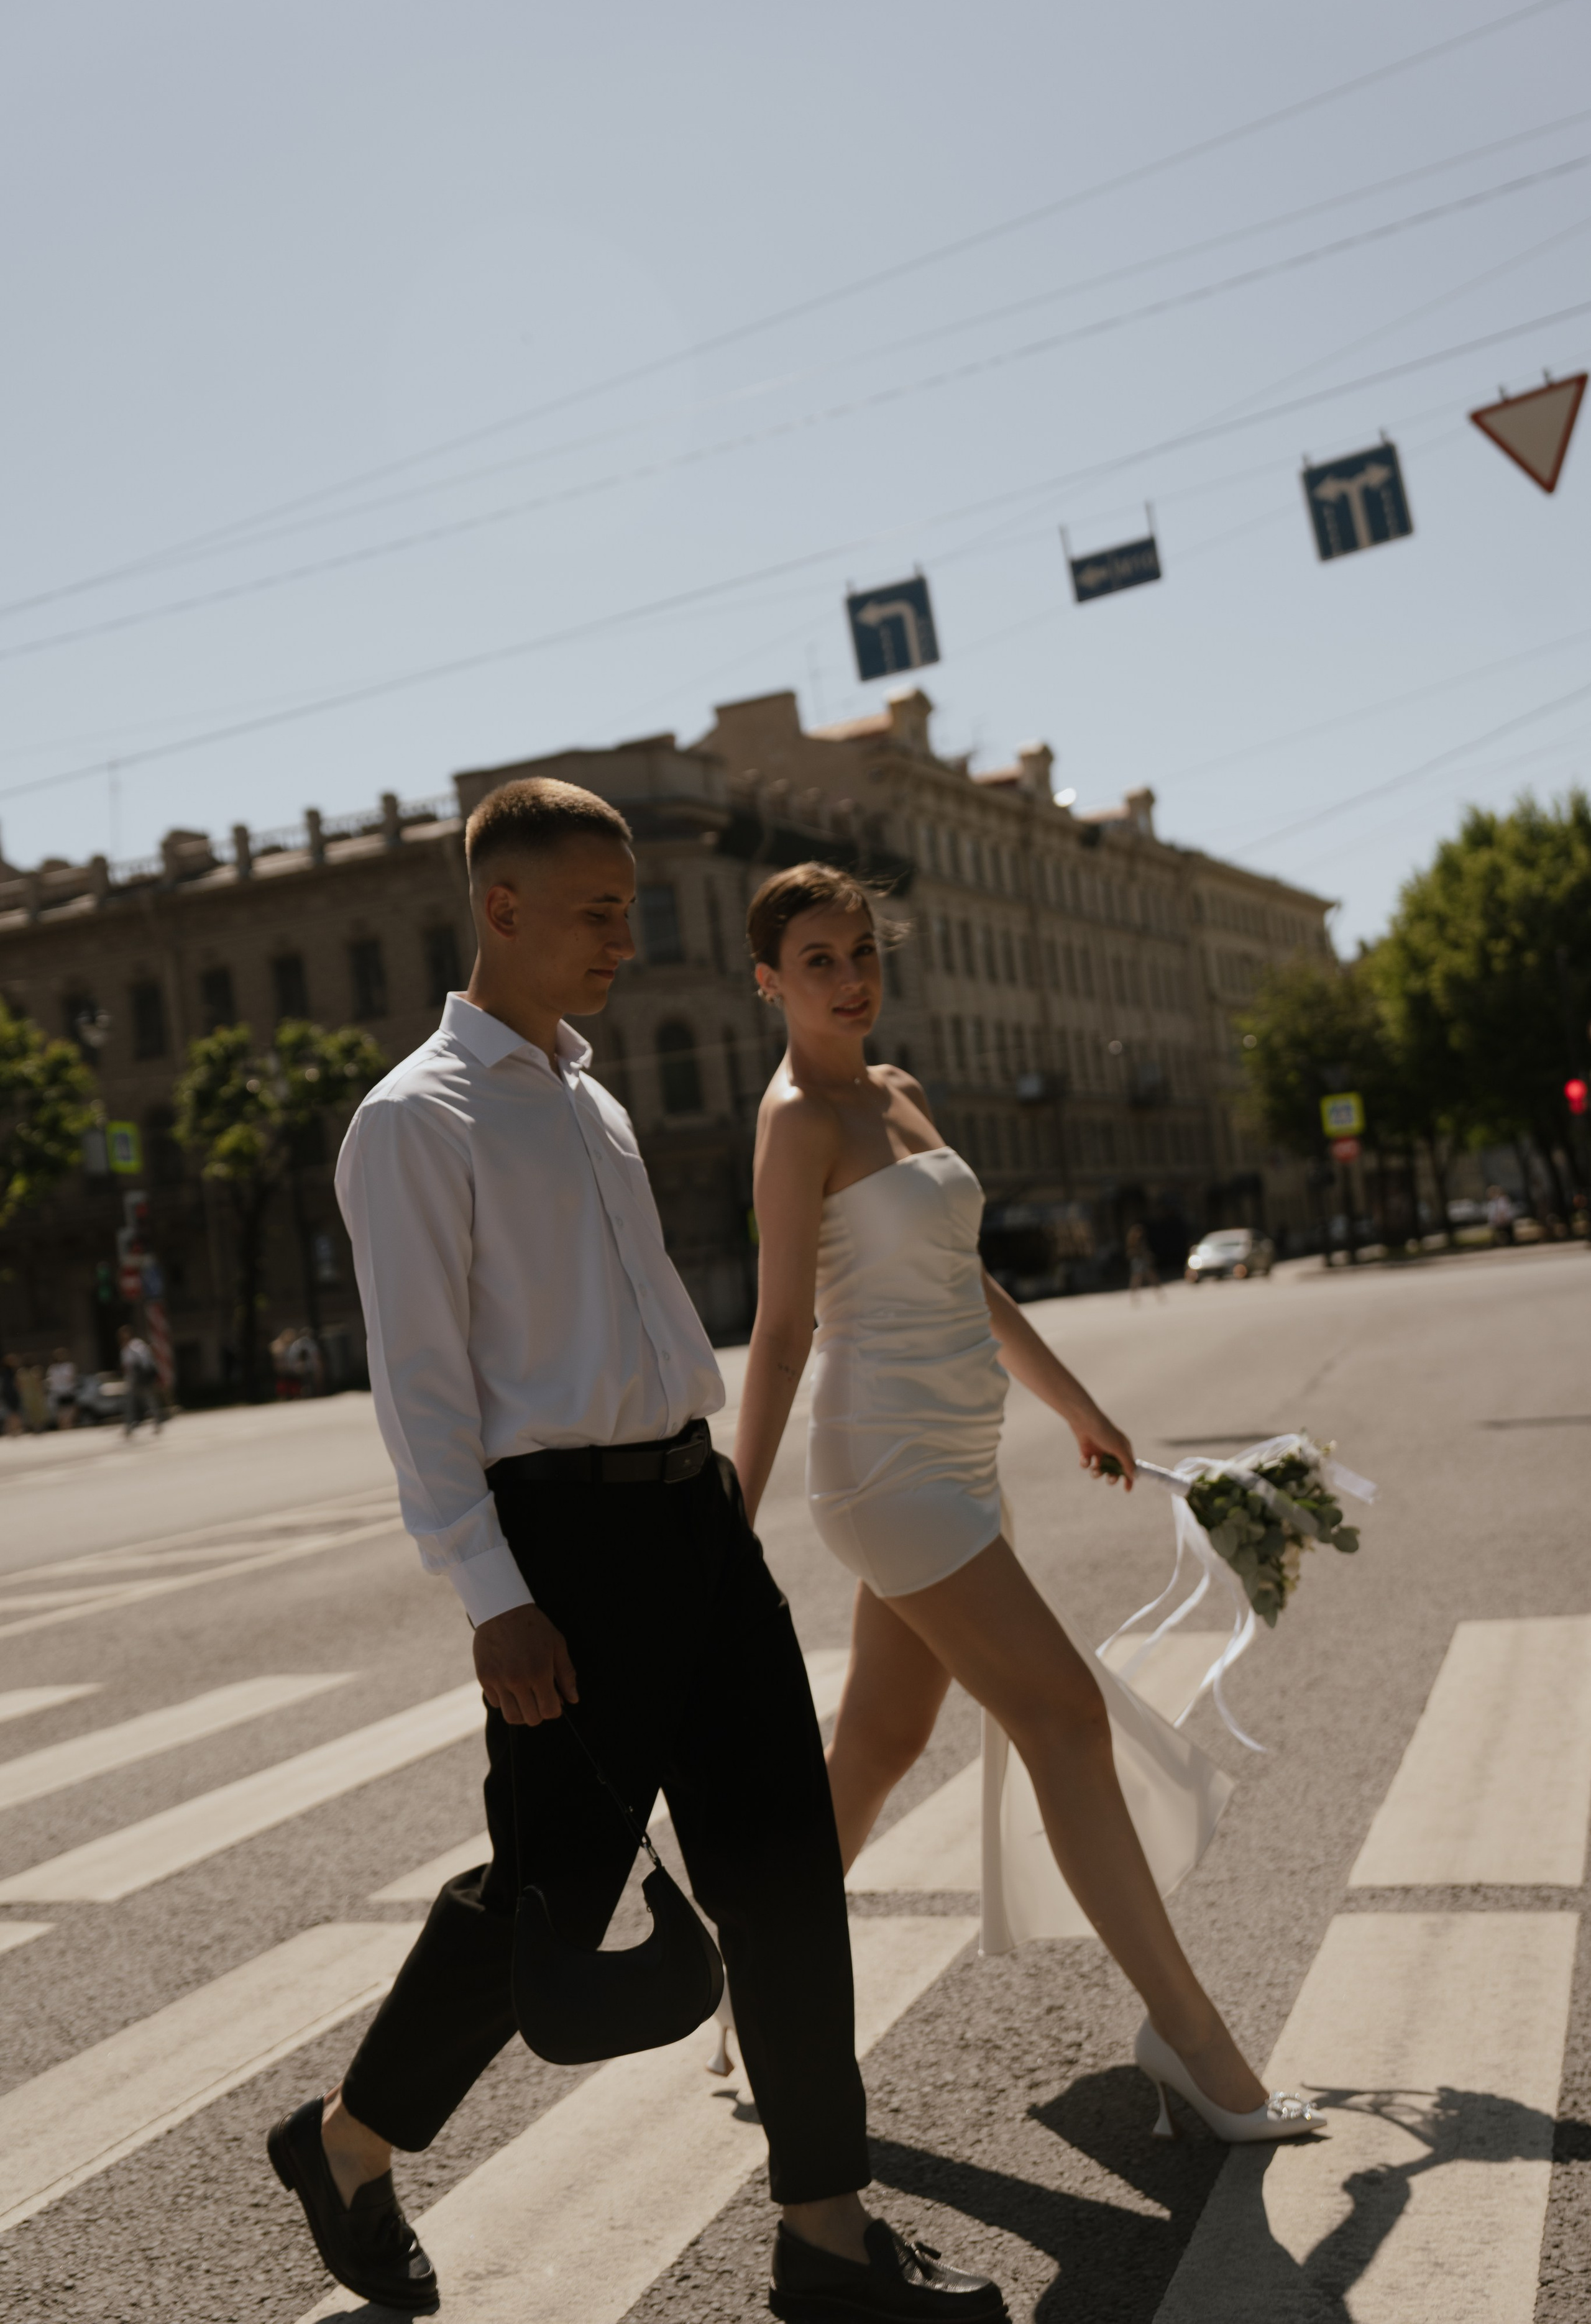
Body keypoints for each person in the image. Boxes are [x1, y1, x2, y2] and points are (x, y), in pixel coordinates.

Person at [266, 780, 1006, 2323]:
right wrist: (495, 1597)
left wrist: (715, 1500)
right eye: (599, 909)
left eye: (631, 907)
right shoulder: (416, 1118)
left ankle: (824, 2235)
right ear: (504, 908)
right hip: (562, 1549)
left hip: (684, 1514)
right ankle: (343, 2143)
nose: (627, 932)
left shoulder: (589, 1099)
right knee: (555, 1888)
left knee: (783, 1868)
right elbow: (420, 1390)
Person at [733, 863, 1321, 2148]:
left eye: (862, 951)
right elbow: (779, 1335)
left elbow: (967, 1281)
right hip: (879, 1469)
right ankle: (1192, 2043)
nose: (850, 978)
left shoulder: (894, 1095)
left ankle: (754, 1993)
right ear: (768, 980)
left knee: (879, 1746)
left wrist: (1077, 1406)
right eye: (818, 960)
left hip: (959, 1457)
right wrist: (733, 1510)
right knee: (1062, 1720)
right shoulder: (795, 1122)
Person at [117, 1325, 164, 1437]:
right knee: (131, 1403)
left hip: (141, 1378)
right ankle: (129, 1427)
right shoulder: (124, 1349)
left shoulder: (136, 1345)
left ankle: (157, 1423)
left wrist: (145, 1375)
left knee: (148, 1401)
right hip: (132, 1379)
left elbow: (145, 1362)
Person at [1124, 1221, 1165, 1304]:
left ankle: (1158, 1293)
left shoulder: (1140, 1239)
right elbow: (1134, 1251)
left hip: (1141, 1260)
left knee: (1150, 1276)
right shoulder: (1134, 1240)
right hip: (1138, 1260)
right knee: (1138, 1278)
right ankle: (1134, 1296)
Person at [45, 1349, 79, 1431]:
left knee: (70, 1409)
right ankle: (65, 1425)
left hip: (67, 1391)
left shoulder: (67, 1366)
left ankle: (67, 1424)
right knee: (62, 1410)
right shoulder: (54, 1368)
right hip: (60, 1392)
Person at [0, 1353, 23, 1438]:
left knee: (13, 1413)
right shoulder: (9, 1372)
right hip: (9, 1394)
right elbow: (17, 1383)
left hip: (10, 1394)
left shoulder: (9, 1371)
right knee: (12, 1413)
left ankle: (15, 1429)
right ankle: (14, 1429)